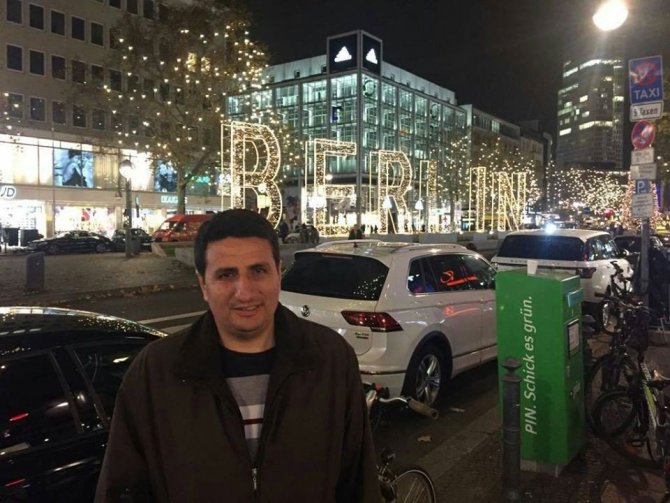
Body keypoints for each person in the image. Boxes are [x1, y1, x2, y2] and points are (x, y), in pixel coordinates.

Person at [95, 209, 379, 502]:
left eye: (258, 271)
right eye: (226, 275)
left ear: (278, 273)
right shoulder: (155, 373)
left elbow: (358, 484)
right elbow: (122, 491)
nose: (244, 292)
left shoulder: (331, 360)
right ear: (203, 285)